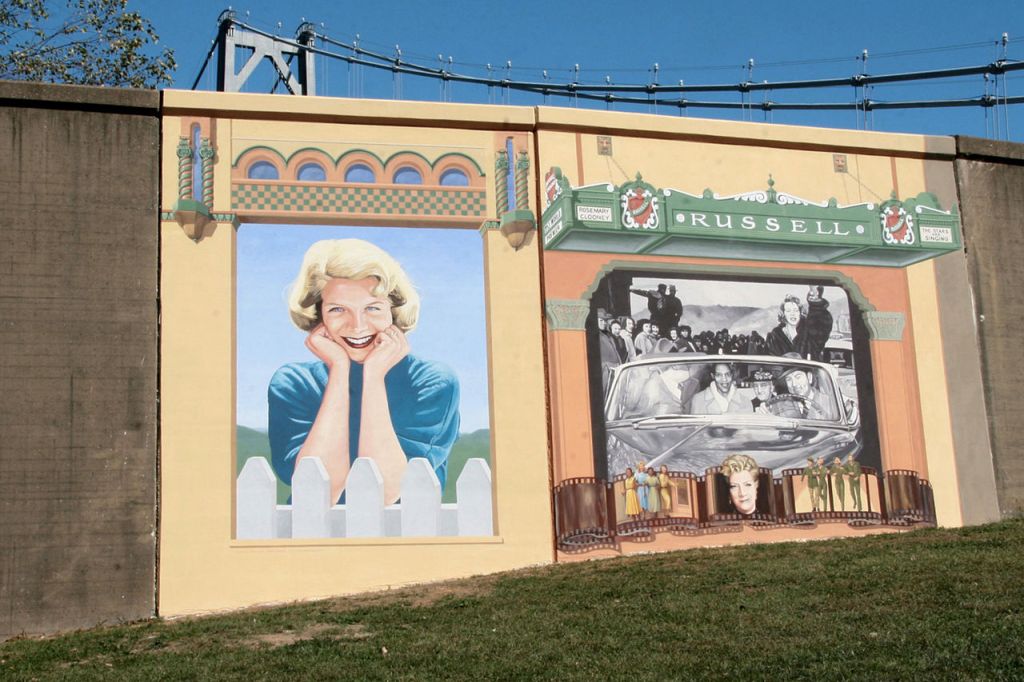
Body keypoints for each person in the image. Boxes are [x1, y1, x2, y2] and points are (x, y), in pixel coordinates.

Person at [267, 239, 460, 506]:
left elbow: (385, 493)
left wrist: (373, 377)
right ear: (318, 316)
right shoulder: (293, 383)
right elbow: (315, 492)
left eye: (372, 308)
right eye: (337, 309)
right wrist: (339, 370)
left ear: (393, 312)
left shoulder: (432, 382)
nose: (357, 326)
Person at [765, 285, 833, 362]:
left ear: (800, 313)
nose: (792, 314)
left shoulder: (810, 332)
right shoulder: (774, 337)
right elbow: (771, 362)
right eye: (788, 311)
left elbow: (823, 326)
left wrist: (815, 301)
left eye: (795, 310)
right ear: (783, 314)